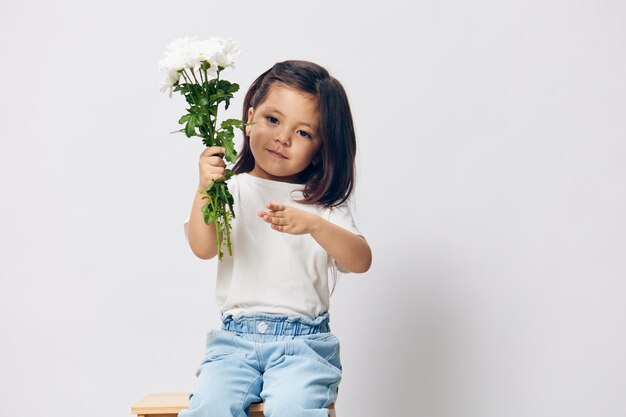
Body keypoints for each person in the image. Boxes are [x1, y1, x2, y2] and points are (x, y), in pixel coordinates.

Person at [179, 60, 372, 417]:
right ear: (249, 116)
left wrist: (314, 225)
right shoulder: (230, 189)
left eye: (303, 133)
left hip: (304, 344)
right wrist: (206, 188)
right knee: (210, 406)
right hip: (233, 342)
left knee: (294, 408)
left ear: (321, 147)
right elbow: (202, 248)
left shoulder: (321, 202)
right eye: (273, 120)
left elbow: (359, 261)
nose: (283, 137)